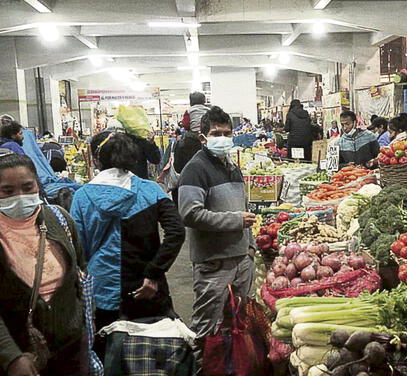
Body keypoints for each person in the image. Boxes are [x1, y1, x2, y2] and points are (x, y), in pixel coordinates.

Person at [70, 132, 185, 360]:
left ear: (96, 160)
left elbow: (77, 250)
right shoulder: (151, 190)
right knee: (151, 354)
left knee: (109, 354)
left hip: (102, 289)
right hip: (146, 287)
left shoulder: (81, 197)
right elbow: (176, 232)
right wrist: (154, 272)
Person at [177, 106, 256, 373]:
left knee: (237, 325)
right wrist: (235, 221)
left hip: (240, 261)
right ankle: (203, 370)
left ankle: (232, 369)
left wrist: (251, 248)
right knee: (207, 329)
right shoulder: (195, 169)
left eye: (226, 133)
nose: (222, 138)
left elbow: (245, 210)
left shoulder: (233, 167)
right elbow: (190, 213)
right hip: (213, 264)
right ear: (203, 137)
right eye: (215, 133)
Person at [0, 153, 88, 375]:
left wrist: (82, 324)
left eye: (27, 187)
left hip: (72, 350)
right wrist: (11, 356)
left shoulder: (60, 219)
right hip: (20, 357)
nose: (19, 197)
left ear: (38, 185)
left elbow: (80, 271)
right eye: (8, 191)